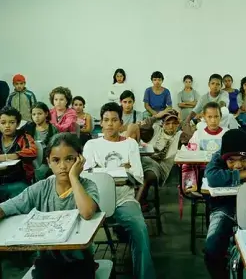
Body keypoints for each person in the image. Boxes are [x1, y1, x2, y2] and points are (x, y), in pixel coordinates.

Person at [0, 133, 99, 278]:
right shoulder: (41, 188)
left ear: (80, 160)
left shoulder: (88, 186)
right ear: (48, 162)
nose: (63, 166)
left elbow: (87, 212)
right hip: (48, 260)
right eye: (56, 160)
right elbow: (7, 207)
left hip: (80, 260)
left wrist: (73, 177)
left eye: (70, 159)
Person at [83, 102, 156, 279]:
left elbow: (137, 176)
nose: (110, 124)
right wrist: (121, 170)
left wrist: (103, 171)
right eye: (106, 120)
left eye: (114, 120)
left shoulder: (130, 144)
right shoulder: (92, 144)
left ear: (121, 123)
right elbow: (87, 176)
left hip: (124, 198)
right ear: (101, 122)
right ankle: (83, 270)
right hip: (97, 199)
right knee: (80, 232)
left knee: (140, 229)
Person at [204, 129, 246, 279]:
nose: (237, 165)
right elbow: (213, 178)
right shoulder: (219, 154)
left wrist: (235, 177)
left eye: (243, 160)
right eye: (231, 161)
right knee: (212, 248)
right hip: (225, 207)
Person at [138, 109, 192, 206]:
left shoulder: (179, 136)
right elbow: (142, 127)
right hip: (144, 160)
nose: (171, 126)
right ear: (162, 124)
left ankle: (138, 202)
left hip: (160, 166)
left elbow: (190, 138)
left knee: (147, 174)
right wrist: (156, 117)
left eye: (174, 123)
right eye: (167, 123)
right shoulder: (156, 129)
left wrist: (182, 122)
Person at [0, 106, 37, 202]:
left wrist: (9, 156)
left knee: (20, 194)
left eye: (11, 122)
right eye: (3, 123)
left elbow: (32, 152)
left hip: (19, 180)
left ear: (18, 124)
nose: (7, 126)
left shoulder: (24, 137)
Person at [24, 102, 58, 180]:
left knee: (40, 172)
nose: (36, 117)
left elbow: (55, 149)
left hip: (46, 160)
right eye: (34, 114)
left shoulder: (53, 130)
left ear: (46, 114)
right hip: (30, 158)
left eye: (39, 114)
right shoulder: (28, 127)